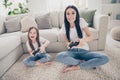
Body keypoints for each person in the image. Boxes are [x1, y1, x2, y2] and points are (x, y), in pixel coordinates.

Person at [56, 5, 109, 72]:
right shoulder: (64, 26)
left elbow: (91, 37)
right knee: (59, 56)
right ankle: (87, 64)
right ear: (65, 15)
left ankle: (77, 67)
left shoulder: (81, 21)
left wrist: (83, 40)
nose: (70, 16)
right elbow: (66, 41)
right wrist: (68, 44)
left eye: (73, 13)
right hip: (72, 52)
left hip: (84, 51)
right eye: (68, 14)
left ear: (76, 14)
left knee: (105, 58)